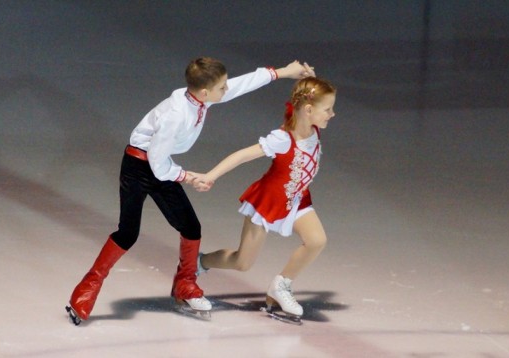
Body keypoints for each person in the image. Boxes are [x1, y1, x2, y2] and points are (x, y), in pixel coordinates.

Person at [66, 57, 315, 325]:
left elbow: (240, 85)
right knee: (128, 233)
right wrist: (189, 177)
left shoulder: (201, 96)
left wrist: (284, 72)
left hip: (160, 165)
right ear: (206, 92)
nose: (226, 91)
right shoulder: (176, 114)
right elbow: (158, 164)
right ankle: (86, 289)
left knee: (191, 228)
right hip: (139, 167)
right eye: (221, 88)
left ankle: (185, 284)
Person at [193, 77, 336, 324]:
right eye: (328, 109)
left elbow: (303, 100)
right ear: (309, 110)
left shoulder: (313, 129)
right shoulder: (282, 139)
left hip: (297, 199)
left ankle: (281, 286)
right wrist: (210, 175)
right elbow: (242, 155)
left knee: (316, 240)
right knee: (242, 263)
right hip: (267, 202)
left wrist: (306, 79)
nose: (332, 114)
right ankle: (198, 261)